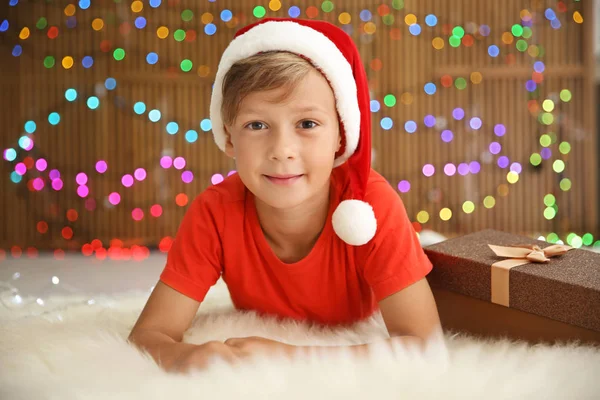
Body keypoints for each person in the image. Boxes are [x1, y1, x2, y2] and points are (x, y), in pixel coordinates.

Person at [128, 17, 443, 374]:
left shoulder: (371, 206)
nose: (282, 150)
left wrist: (288, 355)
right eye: (257, 125)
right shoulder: (214, 212)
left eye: (307, 124)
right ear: (229, 137)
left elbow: (424, 346)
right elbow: (149, 334)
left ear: (340, 135)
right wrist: (185, 357)